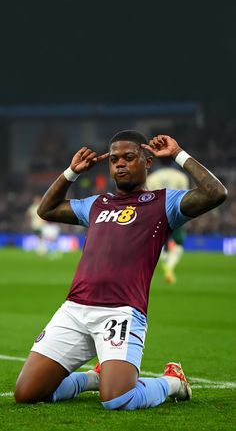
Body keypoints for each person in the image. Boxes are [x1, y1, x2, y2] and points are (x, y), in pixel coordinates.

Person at [14, 131, 227, 410]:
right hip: (74, 310)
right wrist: (71, 172)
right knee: (27, 393)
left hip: (121, 312)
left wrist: (178, 154)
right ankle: (93, 378)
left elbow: (216, 192)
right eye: (114, 160)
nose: (120, 165)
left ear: (147, 161)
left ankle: (173, 382)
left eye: (129, 157)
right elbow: (47, 210)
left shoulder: (164, 203)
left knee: (117, 399)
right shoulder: (96, 204)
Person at [147, 159, 190, 283]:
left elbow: (148, 197)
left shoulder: (152, 178)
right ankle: (169, 266)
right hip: (176, 214)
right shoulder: (181, 177)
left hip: (157, 214)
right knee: (179, 243)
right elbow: (185, 197)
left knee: (160, 243)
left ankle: (163, 261)